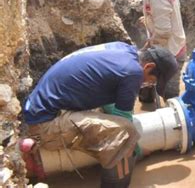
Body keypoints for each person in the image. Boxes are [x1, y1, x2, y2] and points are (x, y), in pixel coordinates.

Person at [23, 42, 178, 187]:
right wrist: (136, 149)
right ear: (148, 66)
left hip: (41, 110)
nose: (147, 85)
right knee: (127, 132)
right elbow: (124, 124)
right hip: (45, 125)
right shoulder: (133, 73)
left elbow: (109, 105)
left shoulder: (124, 50)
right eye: (151, 81)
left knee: (120, 126)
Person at [129, 0, 186, 104]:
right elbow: (163, 15)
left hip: (169, 54)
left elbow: (163, 34)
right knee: (148, 92)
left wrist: (146, 49)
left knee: (170, 98)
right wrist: (149, 20)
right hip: (169, 47)